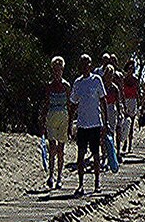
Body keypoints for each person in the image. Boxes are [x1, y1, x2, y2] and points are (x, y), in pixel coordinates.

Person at [68, 54, 110, 194]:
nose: (85, 66)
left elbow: (103, 100)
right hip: (82, 124)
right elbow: (73, 104)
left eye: (87, 64)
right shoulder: (77, 83)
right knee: (80, 154)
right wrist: (70, 123)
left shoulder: (96, 80)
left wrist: (105, 122)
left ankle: (97, 183)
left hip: (95, 123)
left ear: (90, 65)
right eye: (83, 64)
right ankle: (81, 184)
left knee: (96, 153)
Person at [40, 55, 71, 188]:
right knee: (52, 148)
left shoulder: (66, 86)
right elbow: (46, 103)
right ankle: (51, 175)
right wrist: (42, 120)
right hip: (52, 117)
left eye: (59, 70)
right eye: (55, 70)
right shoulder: (49, 86)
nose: (57, 73)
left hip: (63, 117)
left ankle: (59, 176)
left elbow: (69, 105)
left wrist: (70, 123)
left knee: (61, 149)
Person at [101, 64, 124, 160]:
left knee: (111, 132)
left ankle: (112, 153)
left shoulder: (115, 88)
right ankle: (104, 153)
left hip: (111, 110)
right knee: (102, 133)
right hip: (102, 110)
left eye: (110, 75)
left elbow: (118, 102)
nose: (109, 78)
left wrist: (119, 113)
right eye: (107, 75)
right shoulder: (102, 86)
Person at [121, 59, 139, 153]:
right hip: (126, 101)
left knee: (131, 124)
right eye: (129, 68)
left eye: (132, 68)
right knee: (125, 122)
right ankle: (124, 141)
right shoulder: (124, 80)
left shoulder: (135, 80)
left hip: (133, 101)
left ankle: (129, 145)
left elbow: (137, 92)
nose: (131, 70)